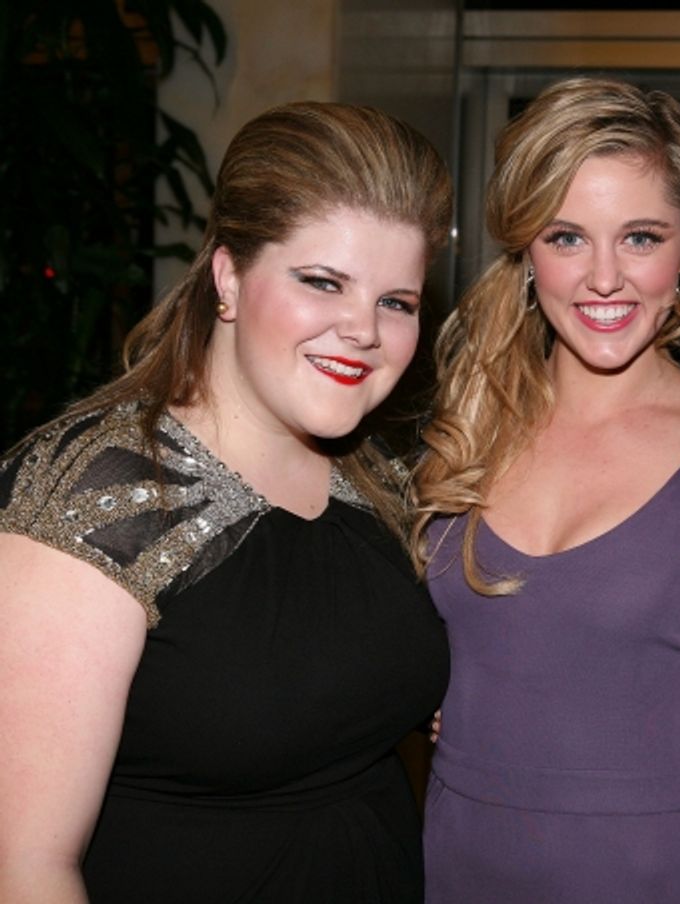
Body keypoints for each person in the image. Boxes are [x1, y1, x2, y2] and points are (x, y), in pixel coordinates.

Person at [0, 101, 453, 903]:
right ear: (229, 277)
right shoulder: (98, 494)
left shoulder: (377, 475)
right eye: (322, 282)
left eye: (398, 301)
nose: (364, 330)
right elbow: (25, 868)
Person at [409, 76, 680, 902]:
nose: (604, 279)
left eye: (641, 237)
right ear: (525, 249)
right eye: (567, 236)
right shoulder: (465, 426)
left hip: (648, 873)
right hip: (455, 868)